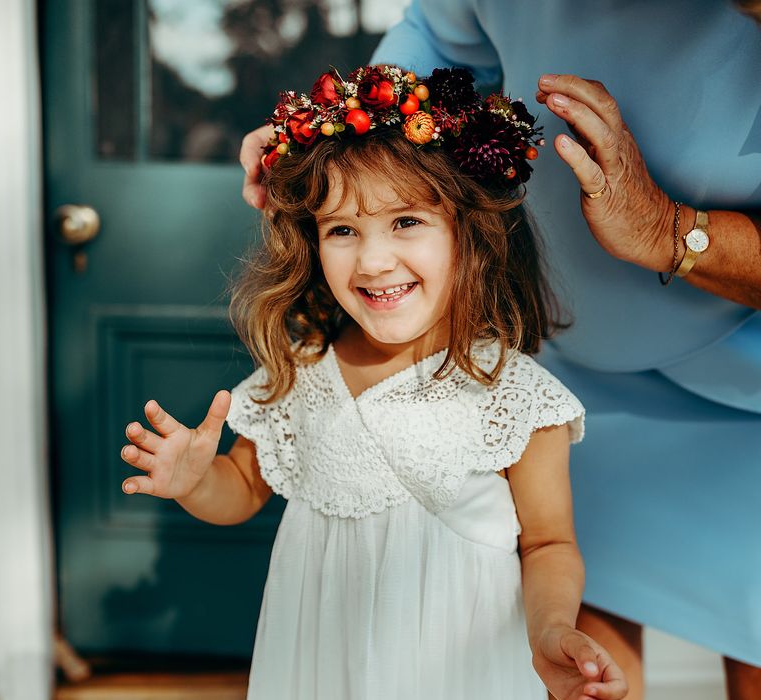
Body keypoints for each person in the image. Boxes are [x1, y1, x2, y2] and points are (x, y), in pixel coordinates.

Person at [237, 4, 761, 700]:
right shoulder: (324, 366)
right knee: (591, 677)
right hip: (576, 359)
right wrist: (338, 138)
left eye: (405, 224)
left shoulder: (519, 401)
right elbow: (430, 37)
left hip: (743, 391)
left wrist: (670, 230)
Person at [120, 66, 628, 700]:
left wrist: (551, 629)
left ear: (468, 233)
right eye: (342, 230)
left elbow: (549, 543)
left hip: (457, 672)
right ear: (311, 241)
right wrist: (197, 483)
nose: (373, 260)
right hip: (321, 661)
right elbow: (244, 488)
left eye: (406, 221)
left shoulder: (513, 393)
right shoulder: (301, 367)